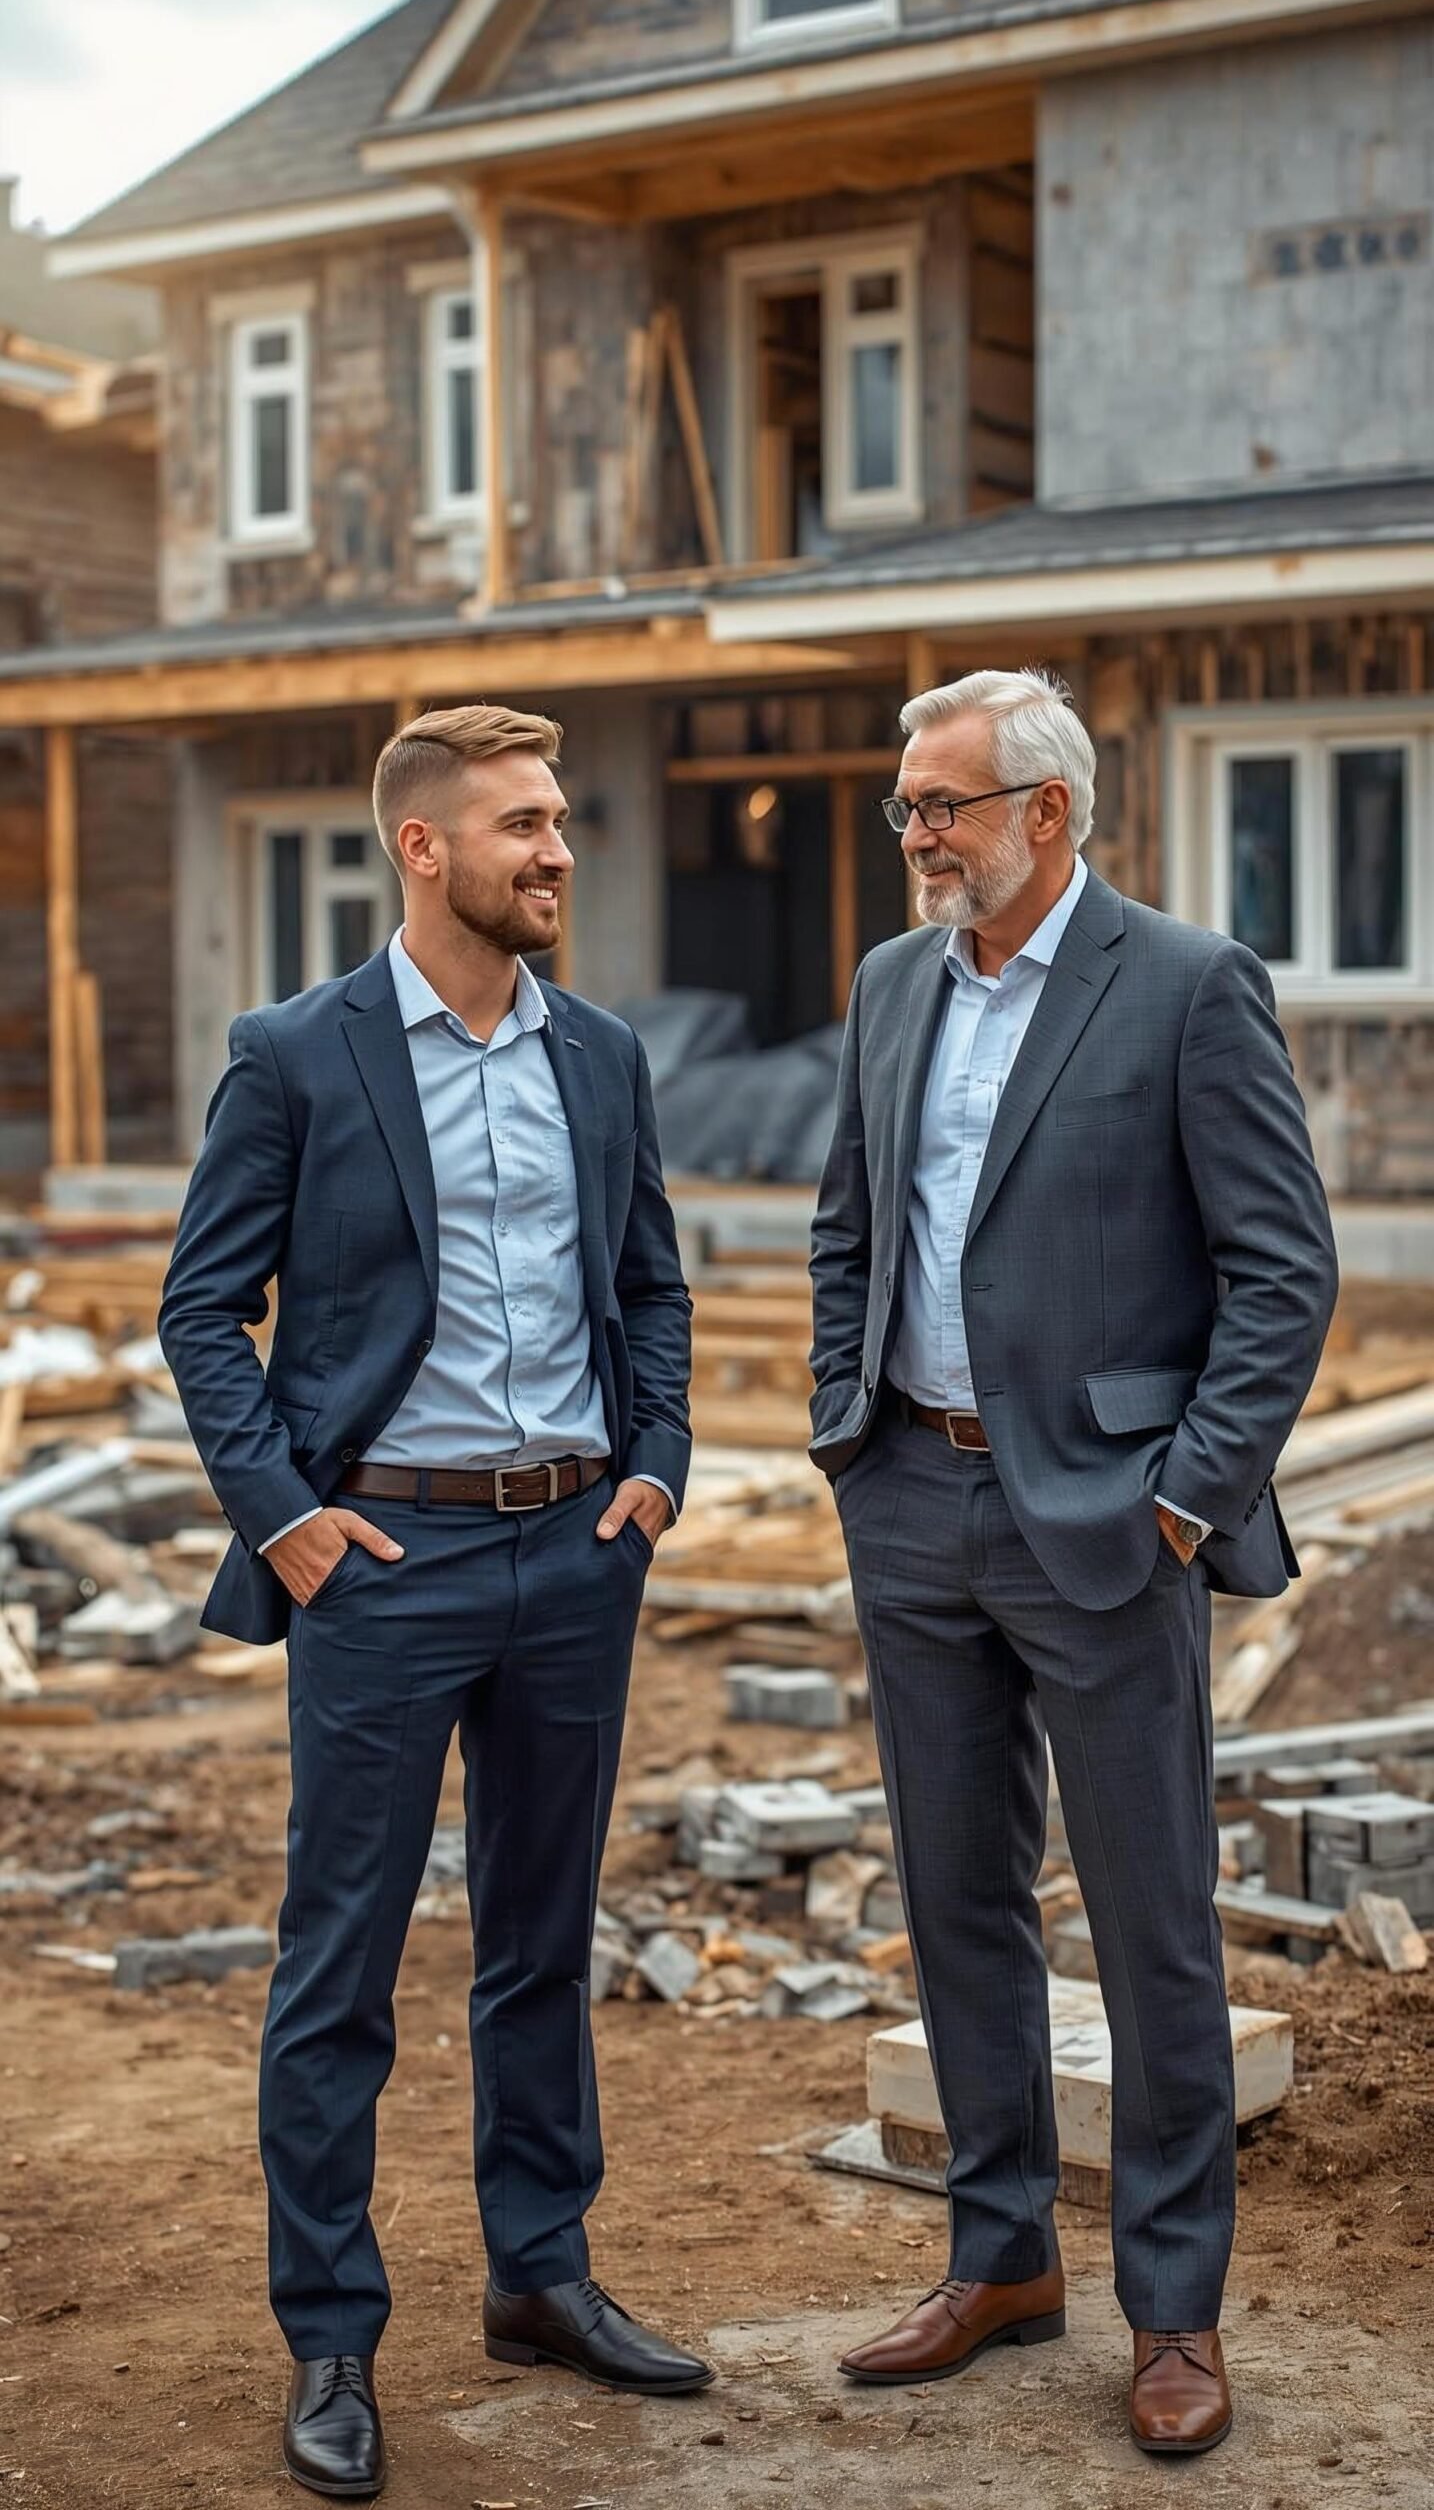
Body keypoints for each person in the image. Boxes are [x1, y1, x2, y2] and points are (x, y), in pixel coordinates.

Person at [160, 705, 711, 2502]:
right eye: (524, 826)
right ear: (423, 847)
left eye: (561, 822)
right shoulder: (295, 1055)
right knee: (341, 1968)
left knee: (542, 1945)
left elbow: (651, 1282)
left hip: (573, 1555)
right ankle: (332, 2335)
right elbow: (200, 1310)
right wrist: (292, 1523)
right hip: (382, 1567)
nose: (558, 851)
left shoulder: (603, 1056)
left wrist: (654, 1466)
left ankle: (539, 2277)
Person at [809, 668, 1337, 2457]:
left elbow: (1281, 1274)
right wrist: (844, 1427)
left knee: (1147, 1923)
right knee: (954, 1900)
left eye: (939, 805)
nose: (914, 834)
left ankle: (1172, 2310)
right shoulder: (891, 985)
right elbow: (845, 1228)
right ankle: (999, 2249)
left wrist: (1182, 1500)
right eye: (904, 806)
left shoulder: (1184, 986)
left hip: (1109, 1523)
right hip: (914, 1507)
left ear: (1045, 811)